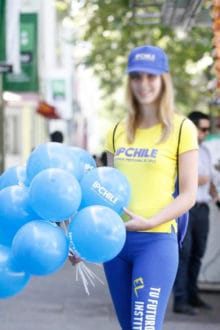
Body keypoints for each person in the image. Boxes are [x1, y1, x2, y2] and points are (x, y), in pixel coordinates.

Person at [103, 45, 198, 330]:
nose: (143, 84)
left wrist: (151, 222)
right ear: (129, 82)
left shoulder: (182, 128)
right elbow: (104, 192)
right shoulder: (117, 130)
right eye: (136, 77)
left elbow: (189, 194)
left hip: (156, 241)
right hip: (114, 243)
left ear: (163, 80)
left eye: (151, 77)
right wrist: (83, 242)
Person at [173, 111, 220, 315]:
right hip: (186, 208)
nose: (205, 133)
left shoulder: (207, 151)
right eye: (202, 129)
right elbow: (182, 180)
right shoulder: (180, 149)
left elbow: (208, 179)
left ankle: (193, 295)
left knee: (198, 254)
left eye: (207, 129)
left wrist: (214, 193)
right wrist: (200, 179)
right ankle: (180, 300)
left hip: (203, 207)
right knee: (184, 254)